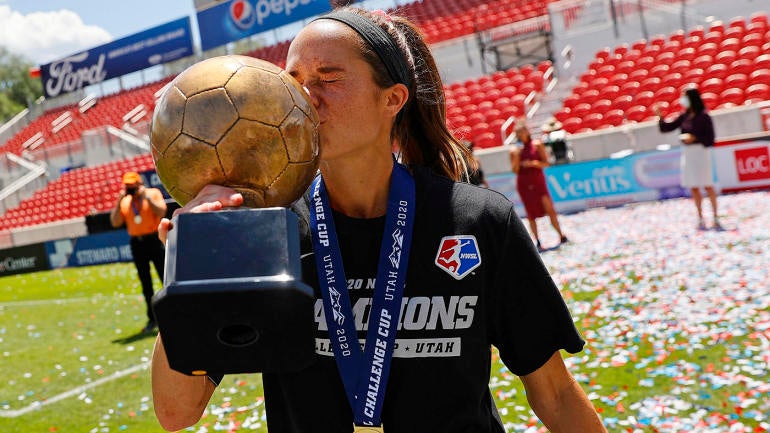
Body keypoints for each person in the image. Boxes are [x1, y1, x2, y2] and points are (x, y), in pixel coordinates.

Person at [151, 7, 606, 433]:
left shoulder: (478, 219)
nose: (306, 98)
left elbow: (555, 393)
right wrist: (194, 261)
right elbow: (177, 411)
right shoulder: (263, 231)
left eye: (328, 78)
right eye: (294, 81)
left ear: (392, 99)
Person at [110, 171, 167, 333]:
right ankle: (153, 319)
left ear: (139, 184)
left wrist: (145, 197)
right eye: (127, 186)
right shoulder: (125, 201)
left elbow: (162, 212)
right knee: (145, 284)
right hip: (137, 244)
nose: (130, 189)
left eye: (132, 186)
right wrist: (119, 200)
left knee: (166, 278)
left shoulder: (152, 193)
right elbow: (115, 222)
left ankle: (173, 313)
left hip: (154, 240)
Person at [655, 86, 720, 230]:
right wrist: (660, 117)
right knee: (694, 186)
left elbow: (710, 138)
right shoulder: (684, 116)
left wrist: (695, 138)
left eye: (685, 96)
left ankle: (715, 216)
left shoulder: (703, 116)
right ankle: (700, 217)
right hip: (689, 154)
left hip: (701, 153)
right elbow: (667, 127)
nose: (682, 100)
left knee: (707, 184)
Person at [509, 120, 568, 252]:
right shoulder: (514, 150)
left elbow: (546, 163)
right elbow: (515, 170)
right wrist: (518, 157)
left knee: (549, 209)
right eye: (518, 133)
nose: (521, 134)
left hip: (538, 181)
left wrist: (533, 164)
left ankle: (561, 235)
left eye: (522, 131)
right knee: (530, 214)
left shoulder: (537, 144)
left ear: (527, 131)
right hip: (524, 184)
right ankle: (537, 241)